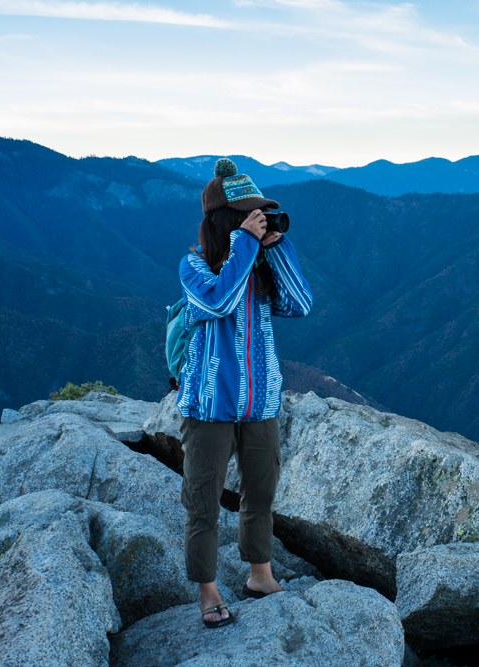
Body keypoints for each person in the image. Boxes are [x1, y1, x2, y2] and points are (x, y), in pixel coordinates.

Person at [176, 157, 312, 628]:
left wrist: (273, 247)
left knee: (260, 495)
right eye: (250, 215)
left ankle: (260, 574)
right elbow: (218, 301)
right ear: (226, 222)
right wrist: (245, 247)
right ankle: (207, 589)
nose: (259, 220)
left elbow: (300, 304)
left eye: (261, 215)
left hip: (261, 406)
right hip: (208, 408)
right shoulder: (194, 266)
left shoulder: (256, 265)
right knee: (204, 501)